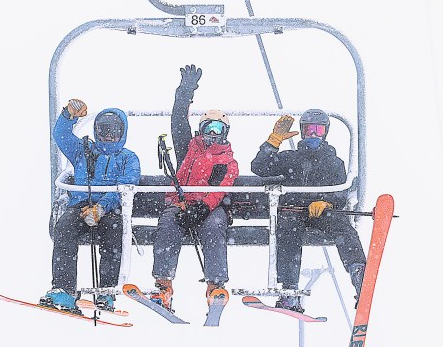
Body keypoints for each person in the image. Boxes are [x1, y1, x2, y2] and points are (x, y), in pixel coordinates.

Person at [250, 109, 366, 312]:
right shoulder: (290, 158)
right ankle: (289, 291)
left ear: (325, 133)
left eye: (318, 130)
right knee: (288, 230)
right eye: (309, 129)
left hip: (321, 211)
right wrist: (274, 141)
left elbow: (341, 191)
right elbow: (259, 167)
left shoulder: (333, 162)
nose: (313, 134)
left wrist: (326, 202)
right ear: (302, 132)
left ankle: (358, 272)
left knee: (342, 227)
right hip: (293, 210)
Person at [150, 64, 239, 311]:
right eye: (208, 128)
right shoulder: (188, 149)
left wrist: (202, 208)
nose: (212, 133)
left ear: (225, 133)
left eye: (218, 129)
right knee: (168, 224)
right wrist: (186, 90)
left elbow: (222, 189)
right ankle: (163, 285)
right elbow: (178, 118)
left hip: (210, 208)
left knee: (213, 228)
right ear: (200, 130)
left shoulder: (227, 161)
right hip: (181, 202)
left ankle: (215, 286)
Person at [41, 98, 141, 313]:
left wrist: (101, 208)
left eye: (114, 131)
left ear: (122, 132)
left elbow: (126, 186)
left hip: (110, 209)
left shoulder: (128, 158)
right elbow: (61, 136)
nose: (108, 136)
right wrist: (68, 116)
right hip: (80, 206)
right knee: (65, 227)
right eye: (104, 130)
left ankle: (106, 291)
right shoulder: (83, 150)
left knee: (113, 231)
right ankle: (64, 289)